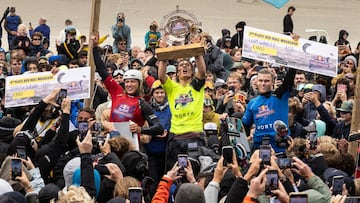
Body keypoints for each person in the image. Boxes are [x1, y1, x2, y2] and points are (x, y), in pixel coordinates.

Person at [92, 32, 163, 146]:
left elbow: (158, 128)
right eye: (127, 82)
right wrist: (95, 47)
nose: (129, 85)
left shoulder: (142, 103)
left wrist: (141, 130)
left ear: (139, 84)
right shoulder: (117, 92)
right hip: (113, 142)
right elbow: (102, 70)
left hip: (131, 146)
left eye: (133, 82)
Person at [157, 34, 207, 170]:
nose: (184, 67)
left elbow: (202, 72)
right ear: (177, 73)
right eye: (181, 66)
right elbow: (161, 76)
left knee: (197, 170)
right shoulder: (172, 87)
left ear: (192, 72)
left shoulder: (196, 86)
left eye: (188, 66)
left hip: (195, 134)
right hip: (176, 136)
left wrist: (197, 51)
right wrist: (163, 55)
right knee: (174, 172)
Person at [242, 67, 296, 152]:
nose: (263, 83)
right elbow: (244, 126)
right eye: (260, 80)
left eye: (266, 81)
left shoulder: (279, 95)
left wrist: (293, 64)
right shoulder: (252, 103)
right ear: (256, 82)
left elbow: (288, 80)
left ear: (273, 82)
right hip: (259, 148)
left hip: (280, 147)